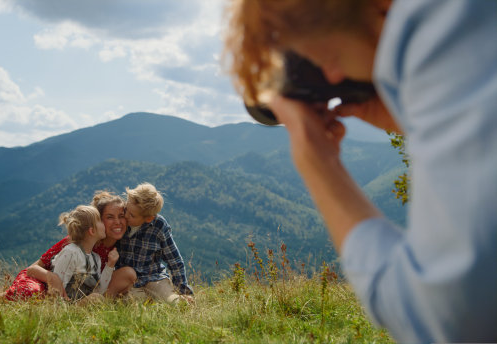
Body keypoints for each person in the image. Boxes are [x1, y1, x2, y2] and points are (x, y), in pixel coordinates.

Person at [223, 0, 496, 342]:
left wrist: (319, 163)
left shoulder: (439, 27)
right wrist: (414, 117)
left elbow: (446, 320)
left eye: (327, 57)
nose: (334, 77)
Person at [0, 190, 135, 300]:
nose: (118, 222)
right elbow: (33, 269)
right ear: (94, 224)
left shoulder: (122, 245)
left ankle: (94, 305)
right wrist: (53, 279)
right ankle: (2, 299)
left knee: (127, 274)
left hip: (75, 293)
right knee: (33, 294)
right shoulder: (76, 241)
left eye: (121, 216)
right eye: (109, 217)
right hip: (43, 281)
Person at [116, 182, 194, 304]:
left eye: (132, 215)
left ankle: (182, 302)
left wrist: (183, 290)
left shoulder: (159, 226)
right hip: (129, 281)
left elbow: (174, 260)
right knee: (134, 302)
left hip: (154, 277)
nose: (125, 216)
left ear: (148, 219)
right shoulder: (120, 221)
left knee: (171, 301)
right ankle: (150, 303)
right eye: (126, 209)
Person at [51, 205, 116, 303]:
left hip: (84, 306)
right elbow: (57, 286)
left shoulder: (95, 258)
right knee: (96, 298)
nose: (104, 224)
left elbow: (100, 290)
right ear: (92, 231)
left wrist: (110, 265)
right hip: (69, 308)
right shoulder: (71, 252)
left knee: (97, 297)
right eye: (100, 221)